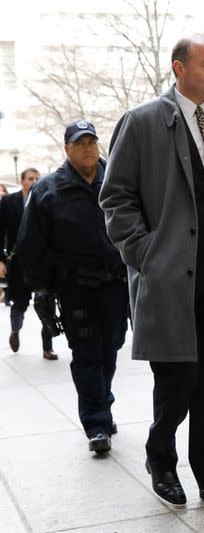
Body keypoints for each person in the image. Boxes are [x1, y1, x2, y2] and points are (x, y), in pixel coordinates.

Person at [100, 35, 204, 511]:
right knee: (177, 381)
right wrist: (145, 253)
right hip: (170, 277)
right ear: (179, 68)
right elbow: (115, 198)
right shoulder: (142, 122)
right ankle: (162, 461)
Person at [15, 121, 127, 454]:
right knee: (87, 353)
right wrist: (41, 290)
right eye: (80, 143)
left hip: (115, 284)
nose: (88, 148)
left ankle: (102, 401)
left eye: (92, 141)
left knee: (112, 346)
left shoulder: (118, 180)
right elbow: (30, 244)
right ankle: (97, 423)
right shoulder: (49, 189)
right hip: (75, 286)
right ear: (67, 149)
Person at [0, 168, 57, 359]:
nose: (34, 181)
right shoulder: (9, 202)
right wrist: (1, 259)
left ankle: (47, 347)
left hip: (42, 263)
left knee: (46, 303)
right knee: (20, 304)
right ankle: (15, 330)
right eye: (30, 178)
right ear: (22, 181)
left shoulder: (47, 198)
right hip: (18, 263)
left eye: (37, 178)